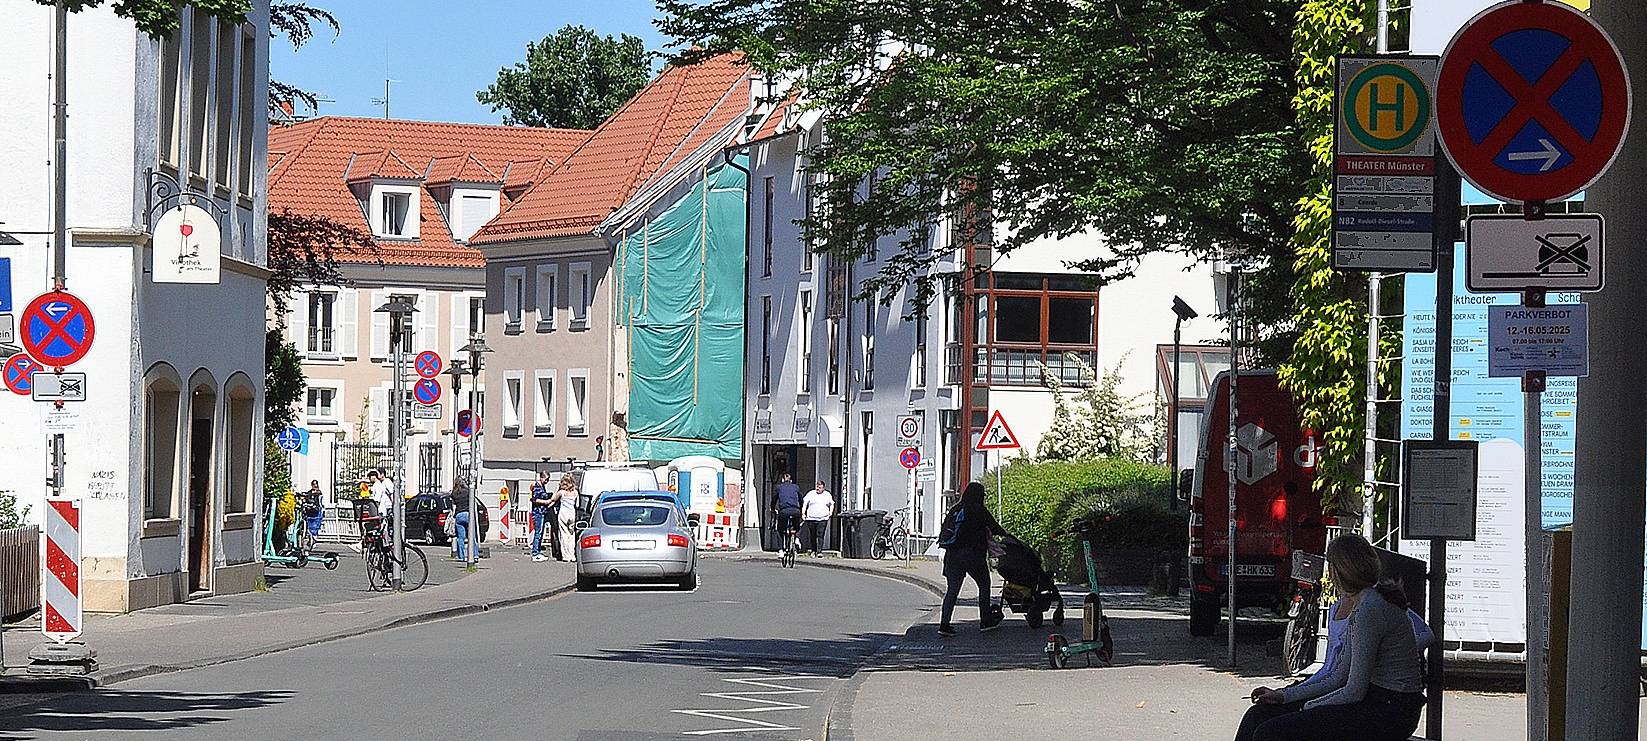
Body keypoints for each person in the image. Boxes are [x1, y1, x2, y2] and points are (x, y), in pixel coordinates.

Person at [1235, 534, 1426, 741]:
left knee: (1269, 733)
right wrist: (1283, 696)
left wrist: (1306, 708)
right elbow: (1337, 675)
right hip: (1380, 702)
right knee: (1258, 715)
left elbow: (1354, 691)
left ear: (1336, 571)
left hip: (1390, 710)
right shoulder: (1365, 604)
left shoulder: (1370, 610)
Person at [936, 481, 1009, 637]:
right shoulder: (978, 510)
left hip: (953, 555)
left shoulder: (956, 509)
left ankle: (944, 624)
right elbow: (994, 527)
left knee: (953, 590)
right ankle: (985, 620)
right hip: (973, 555)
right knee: (984, 585)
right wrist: (1007, 535)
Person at [800, 480, 834, 557]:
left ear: (823, 488)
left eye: (820, 487)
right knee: (812, 535)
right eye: (817, 487)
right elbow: (805, 504)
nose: (818, 489)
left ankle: (819, 551)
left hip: (822, 518)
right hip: (811, 518)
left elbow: (831, 504)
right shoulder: (811, 494)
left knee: (820, 535)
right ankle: (813, 550)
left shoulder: (827, 495)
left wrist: (830, 513)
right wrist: (803, 513)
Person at [771, 473, 803, 553]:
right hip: (796, 510)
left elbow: (774, 499)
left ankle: (781, 550)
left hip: (784, 511)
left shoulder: (779, 487)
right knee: (797, 527)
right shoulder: (796, 487)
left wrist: (772, 509)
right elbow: (801, 499)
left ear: (782, 480)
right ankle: (797, 539)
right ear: (791, 480)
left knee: (780, 530)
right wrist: (802, 510)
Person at [552, 475, 579, 562]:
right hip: (572, 513)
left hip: (563, 513)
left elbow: (553, 499)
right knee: (571, 535)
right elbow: (577, 505)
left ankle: (566, 556)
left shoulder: (561, 493)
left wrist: (557, 489)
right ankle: (572, 555)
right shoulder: (575, 492)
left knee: (564, 535)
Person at [529, 473, 554, 562]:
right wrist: (546, 502)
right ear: (541, 478)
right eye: (546, 479)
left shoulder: (542, 486)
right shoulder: (537, 486)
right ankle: (535, 552)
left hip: (542, 512)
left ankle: (538, 551)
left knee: (541, 532)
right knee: (538, 533)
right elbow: (534, 499)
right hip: (538, 512)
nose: (547, 481)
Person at [449, 478, 473, 561]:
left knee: (460, 538)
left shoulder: (454, 493)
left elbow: (453, 506)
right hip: (468, 514)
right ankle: (474, 555)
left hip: (459, 515)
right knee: (472, 537)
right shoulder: (468, 492)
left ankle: (461, 556)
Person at [299, 480, 326, 552]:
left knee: (315, 527)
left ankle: (313, 539)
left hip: (316, 512)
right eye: (313, 484)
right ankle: (310, 540)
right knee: (309, 526)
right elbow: (306, 498)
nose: (315, 486)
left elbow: (320, 503)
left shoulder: (319, 493)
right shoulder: (309, 493)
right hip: (309, 512)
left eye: (316, 485)